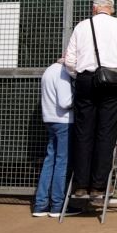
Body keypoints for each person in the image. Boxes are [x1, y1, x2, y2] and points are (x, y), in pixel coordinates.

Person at [65, 0, 117, 200]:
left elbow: (70, 60)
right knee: (106, 132)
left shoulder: (81, 26)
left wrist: (80, 76)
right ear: (112, 9)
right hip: (113, 82)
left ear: (94, 8)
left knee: (84, 132)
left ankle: (80, 185)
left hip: (86, 81)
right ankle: (99, 186)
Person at [32, 58, 82, 217]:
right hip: (64, 121)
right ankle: (58, 206)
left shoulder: (49, 70)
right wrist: (81, 98)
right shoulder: (62, 72)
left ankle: (40, 205)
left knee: (50, 161)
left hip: (50, 119)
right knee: (62, 162)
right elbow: (65, 102)